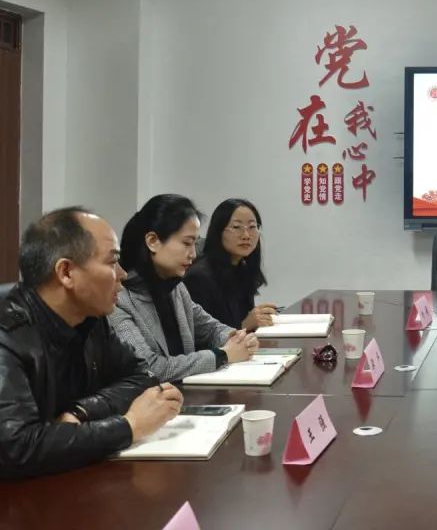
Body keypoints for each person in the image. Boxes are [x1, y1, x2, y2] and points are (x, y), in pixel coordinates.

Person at [0, 207, 183, 480]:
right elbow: (16, 448)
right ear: (66, 272)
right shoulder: (8, 331)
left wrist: (81, 411)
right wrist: (129, 426)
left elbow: (142, 376)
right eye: (112, 262)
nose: (122, 274)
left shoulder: (90, 317)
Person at [109, 194, 258, 383]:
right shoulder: (118, 299)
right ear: (153, 241)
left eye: (195, 243)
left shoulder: (175, 287)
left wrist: (237, 338)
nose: (193, 254)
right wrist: (223, 355)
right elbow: (151, 368)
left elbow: (210, 328)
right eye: (187, 243)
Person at [185, 199, 275, 330]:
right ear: (218, 231)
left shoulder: (242, 268)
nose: (246, 235)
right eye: (236, 227)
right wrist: (244, 325)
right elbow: (200, 336)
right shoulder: (199, 277)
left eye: (252, 227)